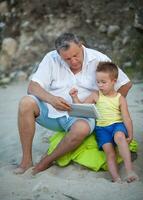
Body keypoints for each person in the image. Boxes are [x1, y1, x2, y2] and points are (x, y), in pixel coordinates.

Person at [15, 32, 132, 175]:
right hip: (53, 112)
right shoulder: (51, 58)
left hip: (83, 115)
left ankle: (46, 161)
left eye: (76, 55)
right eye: (67, 59)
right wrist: (51, 99)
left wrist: (109, 107)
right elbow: (32, 87)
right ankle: (26, 160)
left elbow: (125, 84)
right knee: (25, 103)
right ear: (59, 55)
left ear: (81, 45)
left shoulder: (98, 58)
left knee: (81, 129)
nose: (73, 61)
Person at [69, 61, 138, 183]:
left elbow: (126, 117)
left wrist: (130, 134)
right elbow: (82, 106)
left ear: (114, 81)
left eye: (103, 82)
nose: (100, 85)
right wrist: (74, 97)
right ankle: (116, 178)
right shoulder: (96, 95)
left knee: (120, 137)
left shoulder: (120, 98)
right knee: (109, 153)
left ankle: (129, 171)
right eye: (98, 82)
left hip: (117, 125)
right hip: (101, 129)